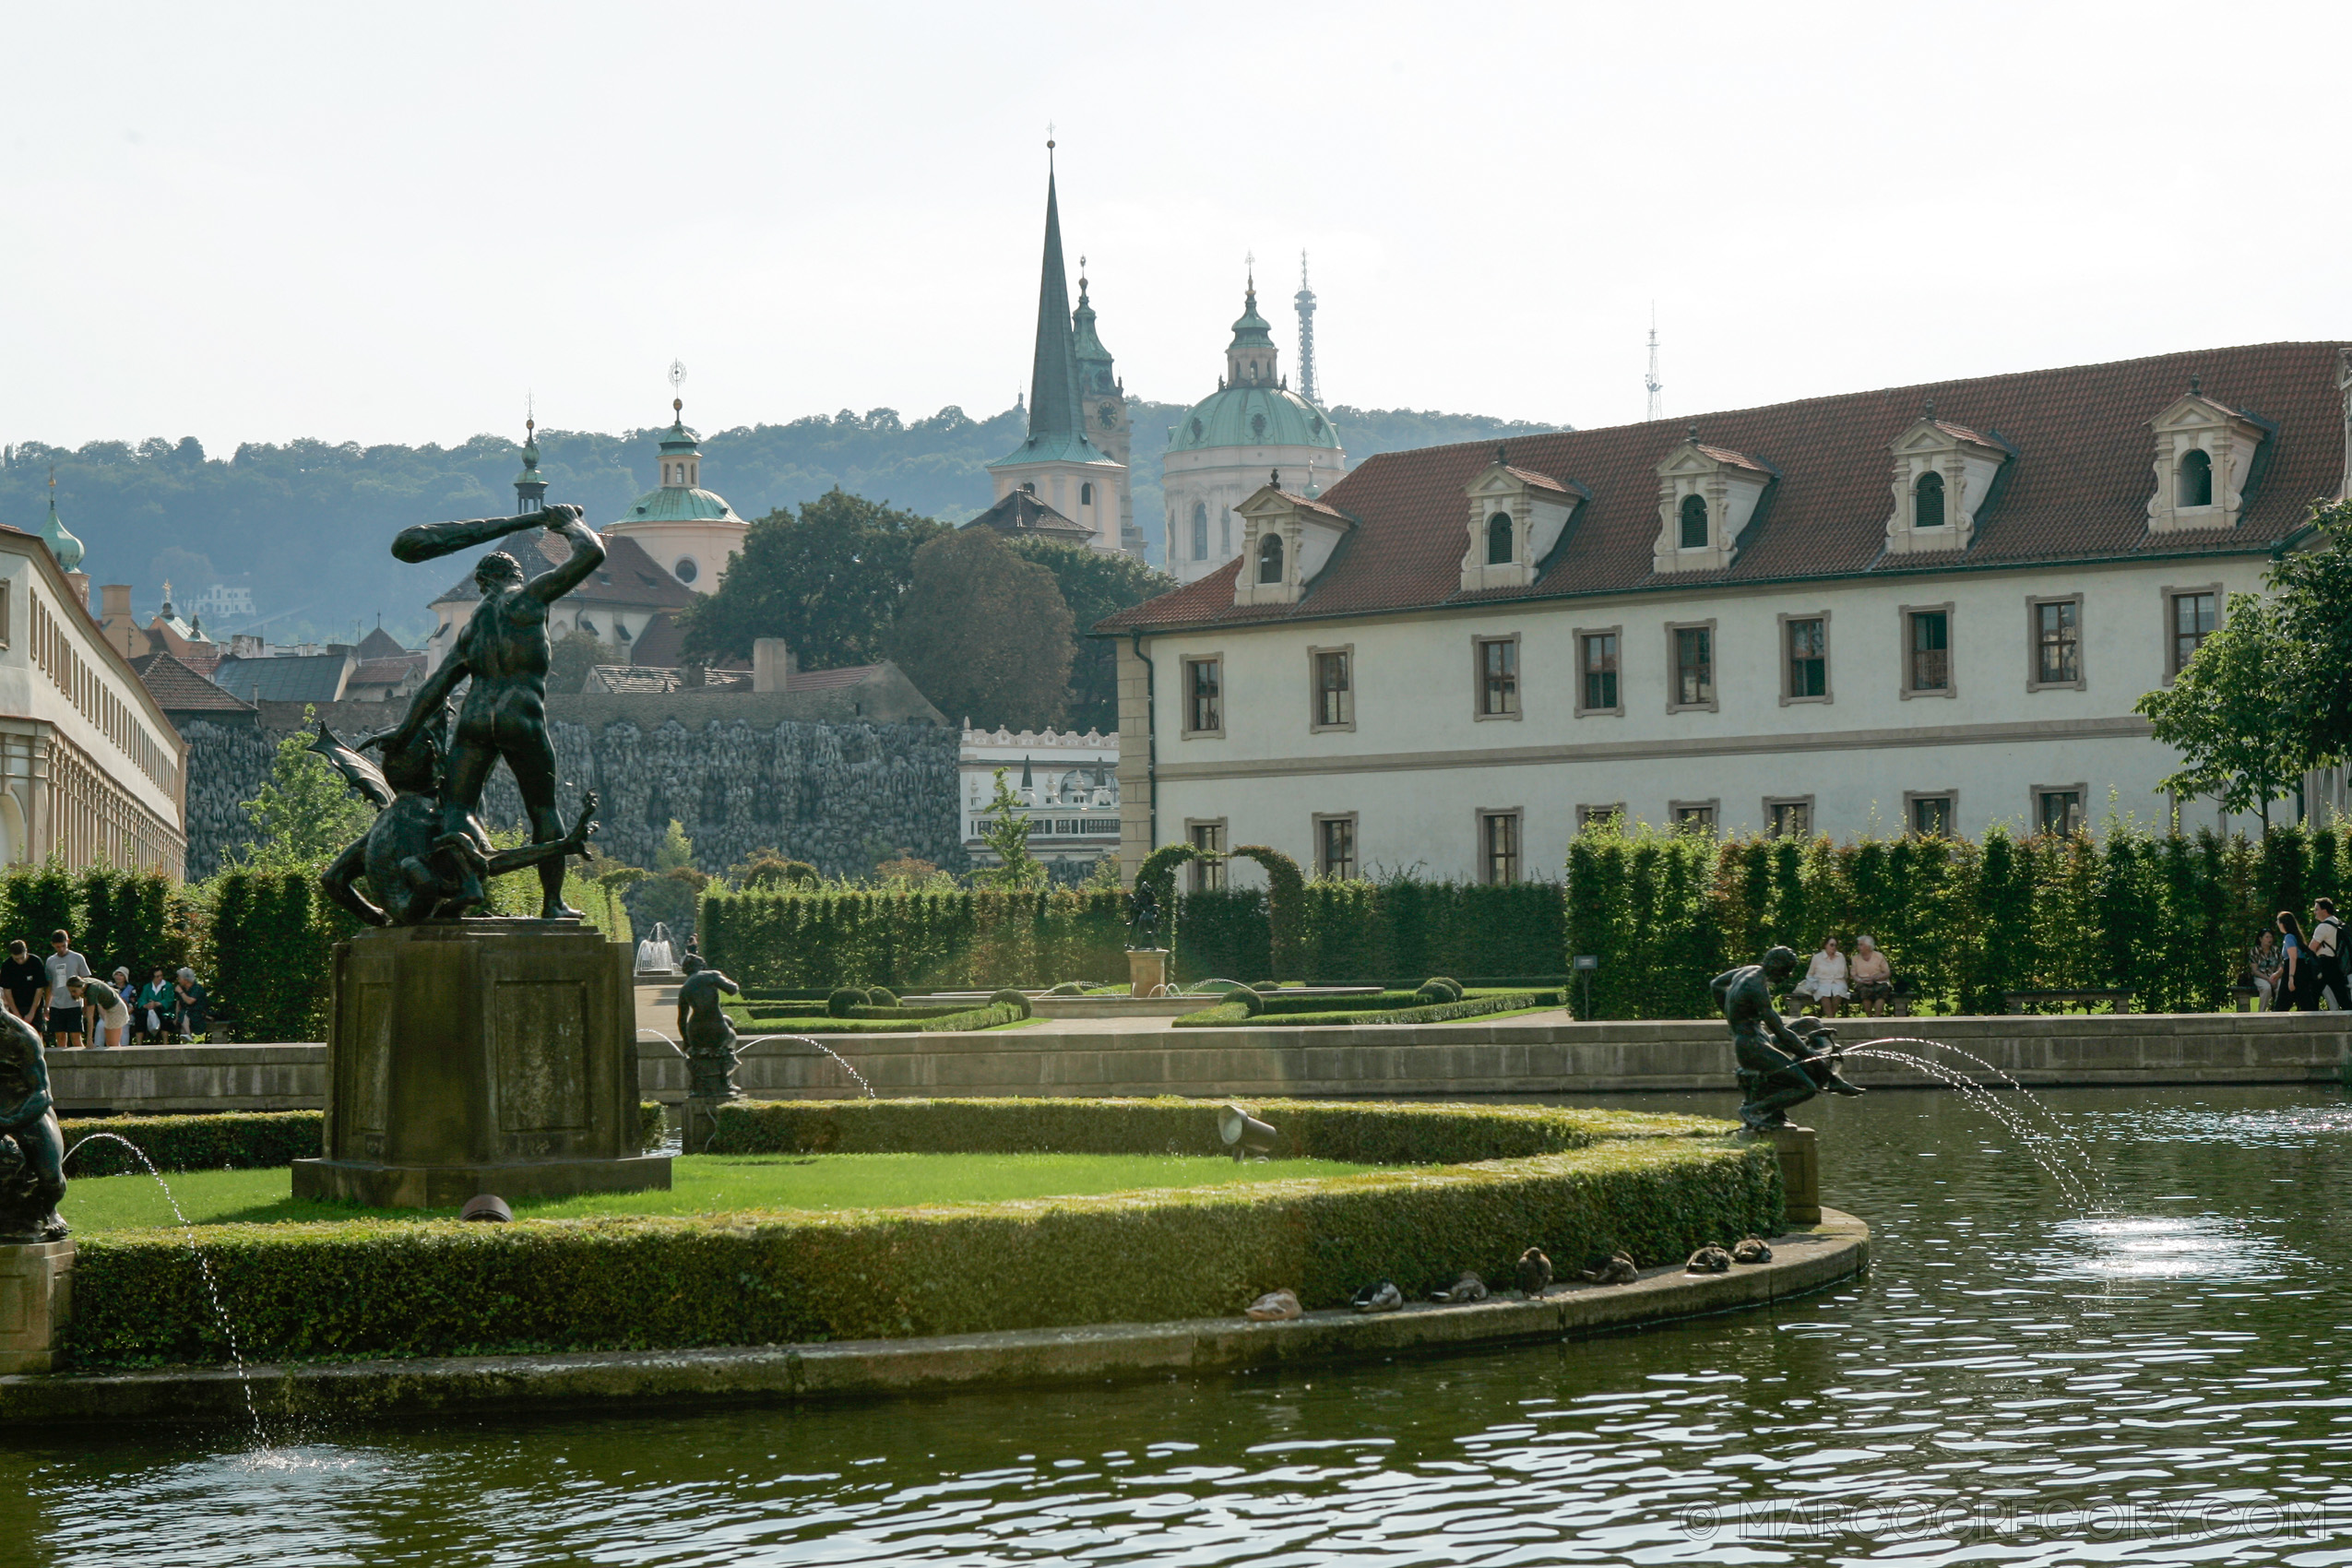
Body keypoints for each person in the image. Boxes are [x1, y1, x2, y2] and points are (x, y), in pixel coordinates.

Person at [384, 503, 605, 921]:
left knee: (456, 808)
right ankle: (553, 903)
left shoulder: (470, 630)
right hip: (519, 714)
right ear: (516, 577)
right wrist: (571, 524)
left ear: (482, 584)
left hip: (474, 719)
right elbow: (592, 554)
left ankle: (465, 886)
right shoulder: (530, 598)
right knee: (542, 809)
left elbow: (435, 686)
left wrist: (405, 730)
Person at [1711, 945, 1864, 1129]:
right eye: (1786, 971)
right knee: (1806, 1087)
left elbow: (1716, 984)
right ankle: (1754, 1110)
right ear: (1776, 965)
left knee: (1811, 1022)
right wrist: (1815, 1059)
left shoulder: (1750, 970)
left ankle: (1832, 1078)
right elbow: (1783, 1035)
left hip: (1757, 1038)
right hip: (1752, 1048)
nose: (1787, 976)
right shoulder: (1756, 987)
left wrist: (1733, 1020)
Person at [42, 931, 89, 1051]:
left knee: (76, 1037)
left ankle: (83, 1064)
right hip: (57, 1004)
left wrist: (86, 1003)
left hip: (74, 1003)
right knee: (60, 1037)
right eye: (58, 947)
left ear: (68, 942)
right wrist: (47, 1006)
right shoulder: (50, 961)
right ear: (53, 945)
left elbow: (86, 982)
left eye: (63, 945)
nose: (61, 949)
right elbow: (50, 985)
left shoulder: (77, 958)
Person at [67, 974, 130, 1051]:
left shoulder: (92, 991)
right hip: (110, 1009)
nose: (72, 994)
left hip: (116, 1010)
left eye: (74, 991)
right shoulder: (85, 982)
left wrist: (89, 1040)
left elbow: (90, 1018)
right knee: (110, 1044)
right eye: (70, 991)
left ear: (81, 986)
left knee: (113, 1046)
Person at [1792, 936, 1851, 1018]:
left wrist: (1843, 983)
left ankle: (1831, 1019)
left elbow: (1845, 974)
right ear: (1825, 945)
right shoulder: (1817, 957)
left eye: (1836, 945)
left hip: (1838, 982)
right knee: (1823, 993)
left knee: (1838, 992)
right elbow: (1809, 974)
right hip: (1822, 982)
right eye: (1832, 945)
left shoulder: (1840, 957)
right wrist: (1814, 983)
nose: (1834, 947)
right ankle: (1831, 1019)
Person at [2310, 898, 2348, 1012]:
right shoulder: (2339, 923)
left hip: (2323, 963)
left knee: (2312, 992)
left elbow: (2311, 948)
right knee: (2342, 995)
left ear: (2324, 911)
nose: (2315, 912)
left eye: (2316, 909)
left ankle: (2311, 1020)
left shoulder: (2323, 927)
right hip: (2337, 963)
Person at [0, 940, 46, 1032]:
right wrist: (16, 1014)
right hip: (16, 1005)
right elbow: (7, 991)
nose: (20, 961)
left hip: (34, 1005)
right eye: (16, 959)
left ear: (26, 951)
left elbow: (40, 988)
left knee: (37, 1032)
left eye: (22, 957)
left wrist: (32, 1012)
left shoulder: (35, 962)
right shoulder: (7, 966)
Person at [1849, 935, 1894, 1016]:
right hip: (1862, 982)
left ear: (1868, 946)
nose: (1859, 947)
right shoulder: (1855, 958)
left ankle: (1877, 1017)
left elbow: (1887, 973)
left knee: (1883, 990)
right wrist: (1862, 981)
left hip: (1879, 981)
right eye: (1858, 945)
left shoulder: (1879, 956)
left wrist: (1875, 978)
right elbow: (1853, 975)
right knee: (1865, 991)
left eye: (1861, 945)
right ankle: (1869, 1017)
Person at [2275, 912, 2310, 1012]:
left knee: (2281, 1005)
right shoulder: (2296, 937)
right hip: (2300, 970)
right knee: (2305, 1002)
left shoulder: (2289, 937)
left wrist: (2291, 978)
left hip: (2293, 971)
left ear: (2283, 923)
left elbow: (2293, 957)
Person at [2249, 929, 2284, 1010]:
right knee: (2266, 988)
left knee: (2281, 987)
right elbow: (2255, 970)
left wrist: (2276, 976)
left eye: (2271, 937)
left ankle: (2278, 1011)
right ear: (2260, 939)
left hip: (2275, 976)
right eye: (2267, 937)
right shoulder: (2255, 951)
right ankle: (2262, 1013)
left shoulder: (2276, 950)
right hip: (2261, 977)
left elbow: (2281, 965)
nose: (2269, 939)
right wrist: (2268, 979)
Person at [137, 968, 173, 1043]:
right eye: (157, 976)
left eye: (161, 976)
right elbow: (142, 999)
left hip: (162, 1010)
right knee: (140, 1017)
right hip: (149, 1010)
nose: (160, 978)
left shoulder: (168, 986)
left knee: (165, 1018)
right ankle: (138, 1044)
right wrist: (146, 1005)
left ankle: (165, 1044)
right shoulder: (147, 987)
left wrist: (157, 1003)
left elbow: (169, 999)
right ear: (152, 977)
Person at [172, 968, 208, 1042]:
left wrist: (181, 992)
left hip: (198, 1013)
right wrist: (176, 1017)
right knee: (182, 1015)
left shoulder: (197, 988)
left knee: (184, 1014)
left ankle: (188, 1035)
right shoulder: (182, 988)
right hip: (185, 1015)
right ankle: (187, 1040)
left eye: (179, 978)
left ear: (186, 979)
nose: (178, 980)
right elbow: (178, 1004)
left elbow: (190, 1001)